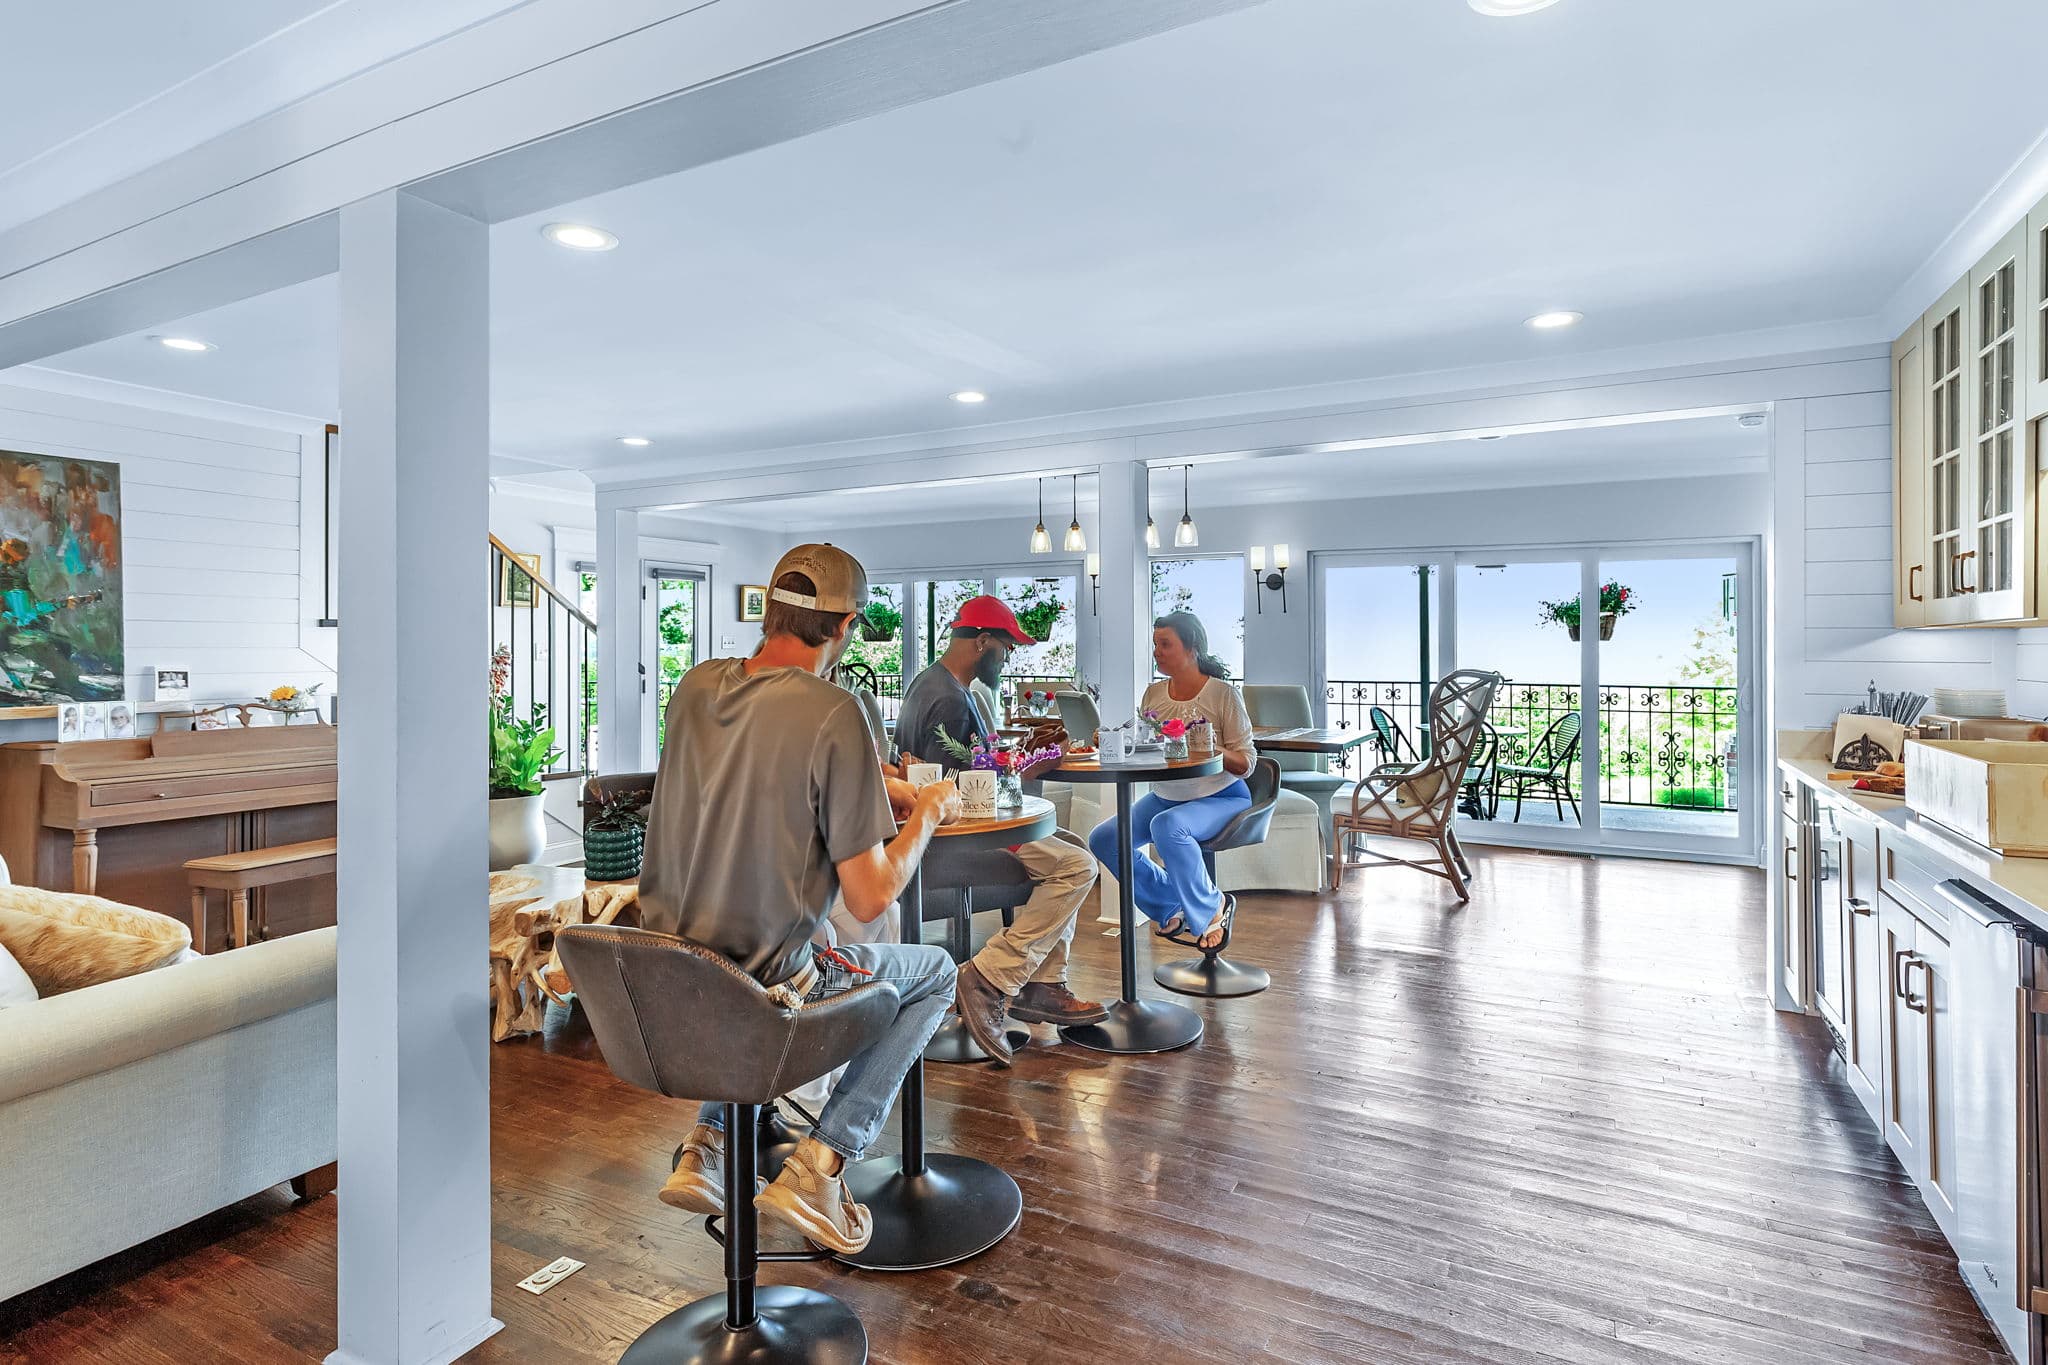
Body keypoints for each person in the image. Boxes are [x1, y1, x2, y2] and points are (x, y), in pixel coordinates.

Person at [637, 543, 962, 1254]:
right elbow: (871, 895)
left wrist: (878, 791)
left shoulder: (693, 686)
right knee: (935, 972)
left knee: (765, 949)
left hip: (667, 983)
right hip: (768, 998)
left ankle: (712, 1140)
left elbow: (761, 783)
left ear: (772, 609)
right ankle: (822, 1163)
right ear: (843, 627)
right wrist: (928, 810)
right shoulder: (834, 711)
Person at [894, 596, 1105, 1064]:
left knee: (1068, 846)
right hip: (954, 848)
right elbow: (966, 798)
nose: (1008, 658)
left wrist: (1023, 759)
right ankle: (990, 977)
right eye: (1005, 647)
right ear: (982, 642)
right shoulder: (950, 699)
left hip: (939, 839)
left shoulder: (931, 683)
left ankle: (1045, 983)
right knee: (1078, 866)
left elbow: (960, 774)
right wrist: (1031, 771)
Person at [1087, 610, 1254, 953]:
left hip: (1222, 796)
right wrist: (1110, 740)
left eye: (1166, 645)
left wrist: (1209, 746)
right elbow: (1147, 746)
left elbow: (1247, 763)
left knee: (1168, 826)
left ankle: (1211, 908)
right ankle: (1168, 904)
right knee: (1104, 838)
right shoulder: (1153, 695)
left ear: (1192, 649)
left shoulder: (1223, 695)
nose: (1157, 652)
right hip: (1167, 796)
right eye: (1155, 644)